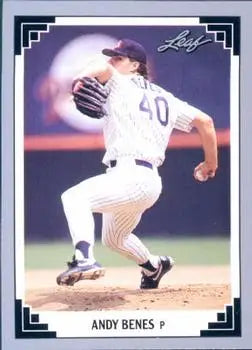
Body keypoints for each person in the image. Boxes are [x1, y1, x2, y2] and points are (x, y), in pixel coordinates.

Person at [56, 38, 218, 289]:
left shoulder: (119, 83)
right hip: (147, 182)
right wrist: (210, 164)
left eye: (118, 58)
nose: (112, 61)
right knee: (114, 239)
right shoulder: (166, 98)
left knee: (74, 198)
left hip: (129, 176)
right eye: (112, 57)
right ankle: (154, 266)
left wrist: (77, 82)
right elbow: (205, 122)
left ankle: (84, 259)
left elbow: (100, 67)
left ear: (135, 65)